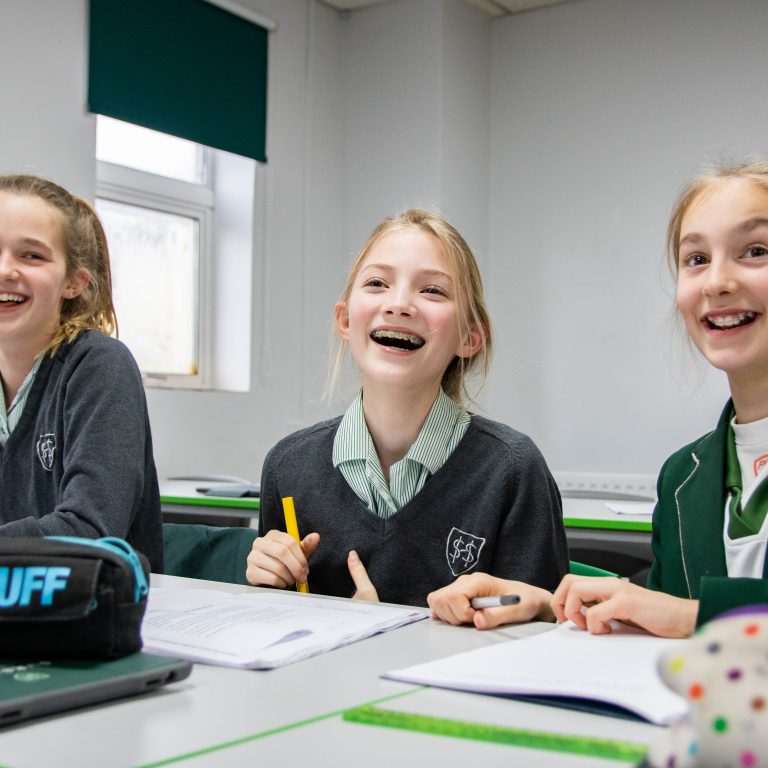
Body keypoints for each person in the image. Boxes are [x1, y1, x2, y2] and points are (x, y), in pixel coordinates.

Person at [428, 160, 768, 636]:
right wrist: (547, 603)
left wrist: (689, 617)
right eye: (696, 259)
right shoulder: (683, 478)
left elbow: (680, 617)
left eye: (755, 250)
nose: (717, 281)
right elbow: (662, 618)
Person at [246, 209, 568, 606]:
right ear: (345, 320)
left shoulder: (513, 470)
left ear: (470, 337)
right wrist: (267, 582)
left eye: (432, 291)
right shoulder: (288, 466)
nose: (399, 304)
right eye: (378, 283)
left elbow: (544, 634)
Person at [0, 174, 163, 571]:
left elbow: (90, 530)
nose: (6, 270)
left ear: (74, 282)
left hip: (90, 621)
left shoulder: (99, 366)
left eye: (32, 256)